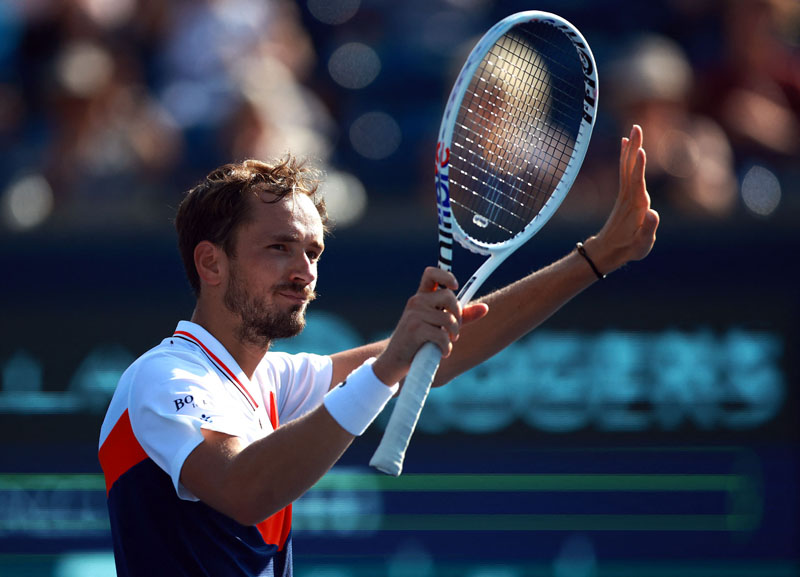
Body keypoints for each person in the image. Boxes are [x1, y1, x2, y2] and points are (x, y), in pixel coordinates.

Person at [98, 125, 659, 576]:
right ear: (211, 263)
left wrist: (596, 258)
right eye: (279, 247)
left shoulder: (267, 381)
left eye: (314, 253)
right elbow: (245, 489)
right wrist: (386, 368)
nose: (304, 272)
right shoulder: (165, 378)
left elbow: (435, 356)